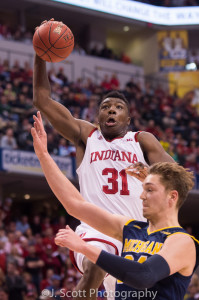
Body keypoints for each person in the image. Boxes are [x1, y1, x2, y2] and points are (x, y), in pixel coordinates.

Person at [33, 33, 174, 298]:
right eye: (106, 106)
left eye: (118, 107)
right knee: (95, 266)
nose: (111, 110)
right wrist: (40, 55)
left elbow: (179, 180)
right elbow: (42, 101)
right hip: (96, 228)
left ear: (128, 118)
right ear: (98, 115)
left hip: (136, 235)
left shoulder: (142, 140)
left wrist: (150, 175)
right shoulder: (86, 136)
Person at [31, 113, 199, 300]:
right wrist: (43, 156)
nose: (141, 196)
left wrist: (85, 248)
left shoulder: (182, 241)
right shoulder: (131, 229)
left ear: (172, 196)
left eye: (150, 190)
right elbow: (75, 205)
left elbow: (144, 276)